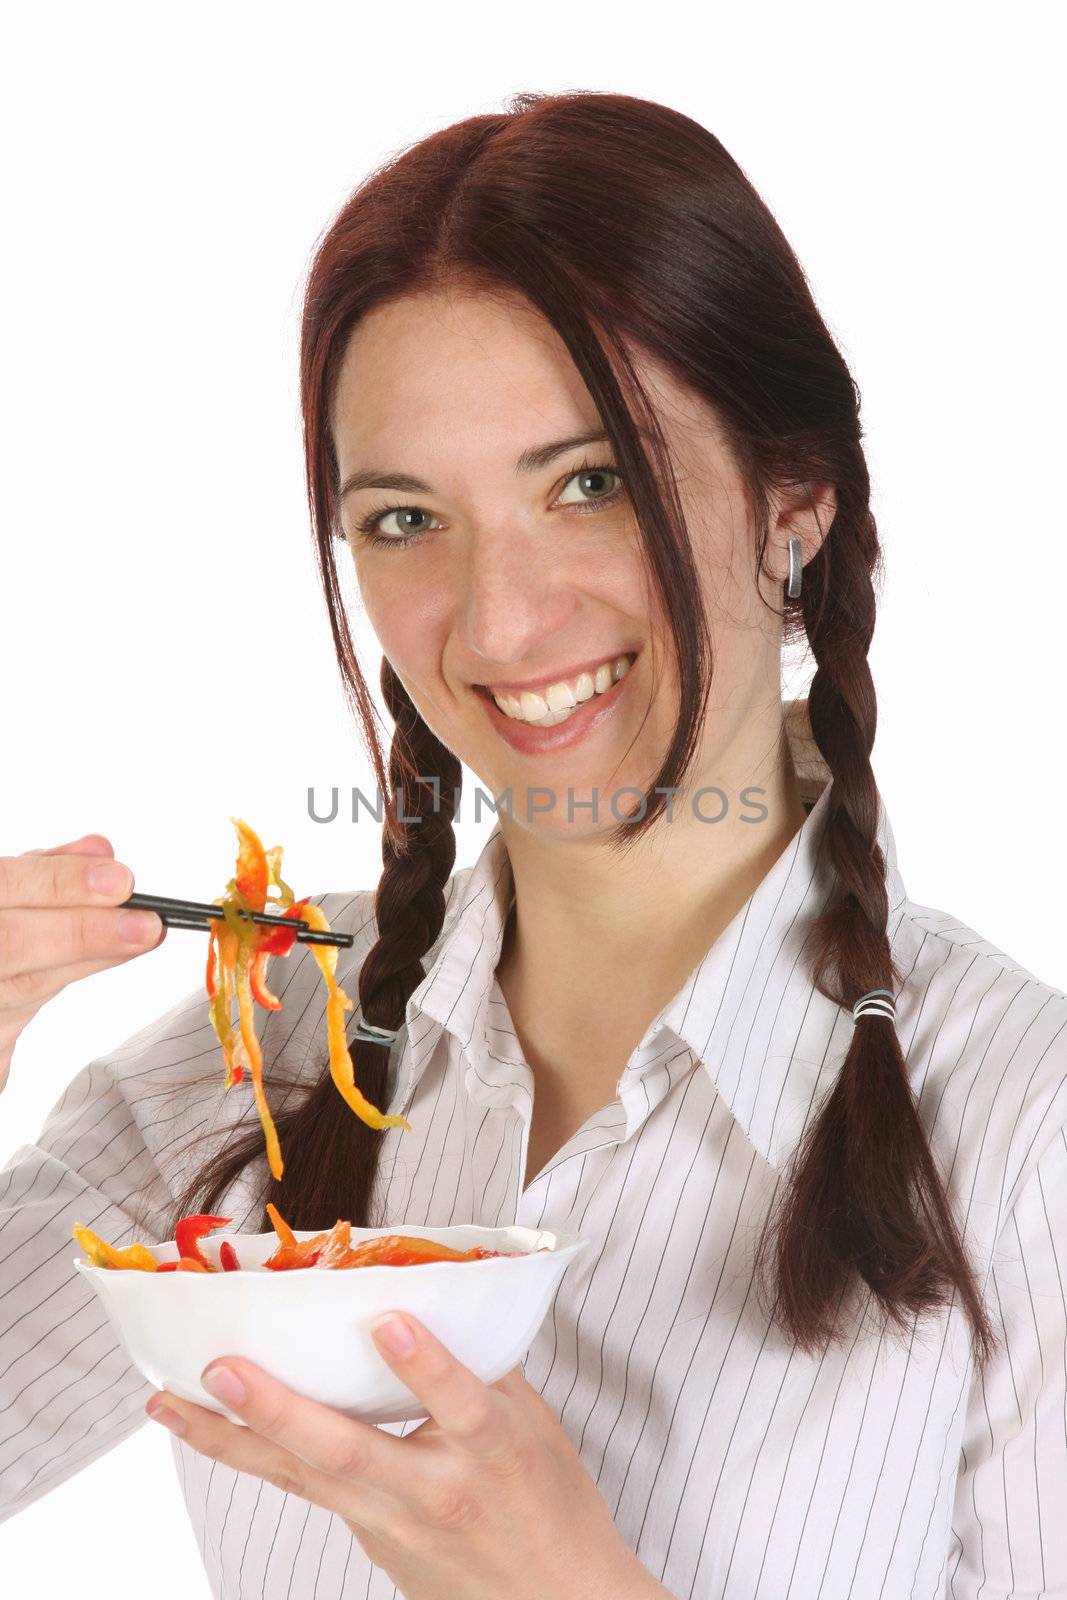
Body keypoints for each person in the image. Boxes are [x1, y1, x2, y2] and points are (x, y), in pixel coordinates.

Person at [2, 87, 1065, 1599]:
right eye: (404, 520)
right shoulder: (276, 1032)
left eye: (592, 484)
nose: (500, 625)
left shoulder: (1029, 1142)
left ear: (795, 503)